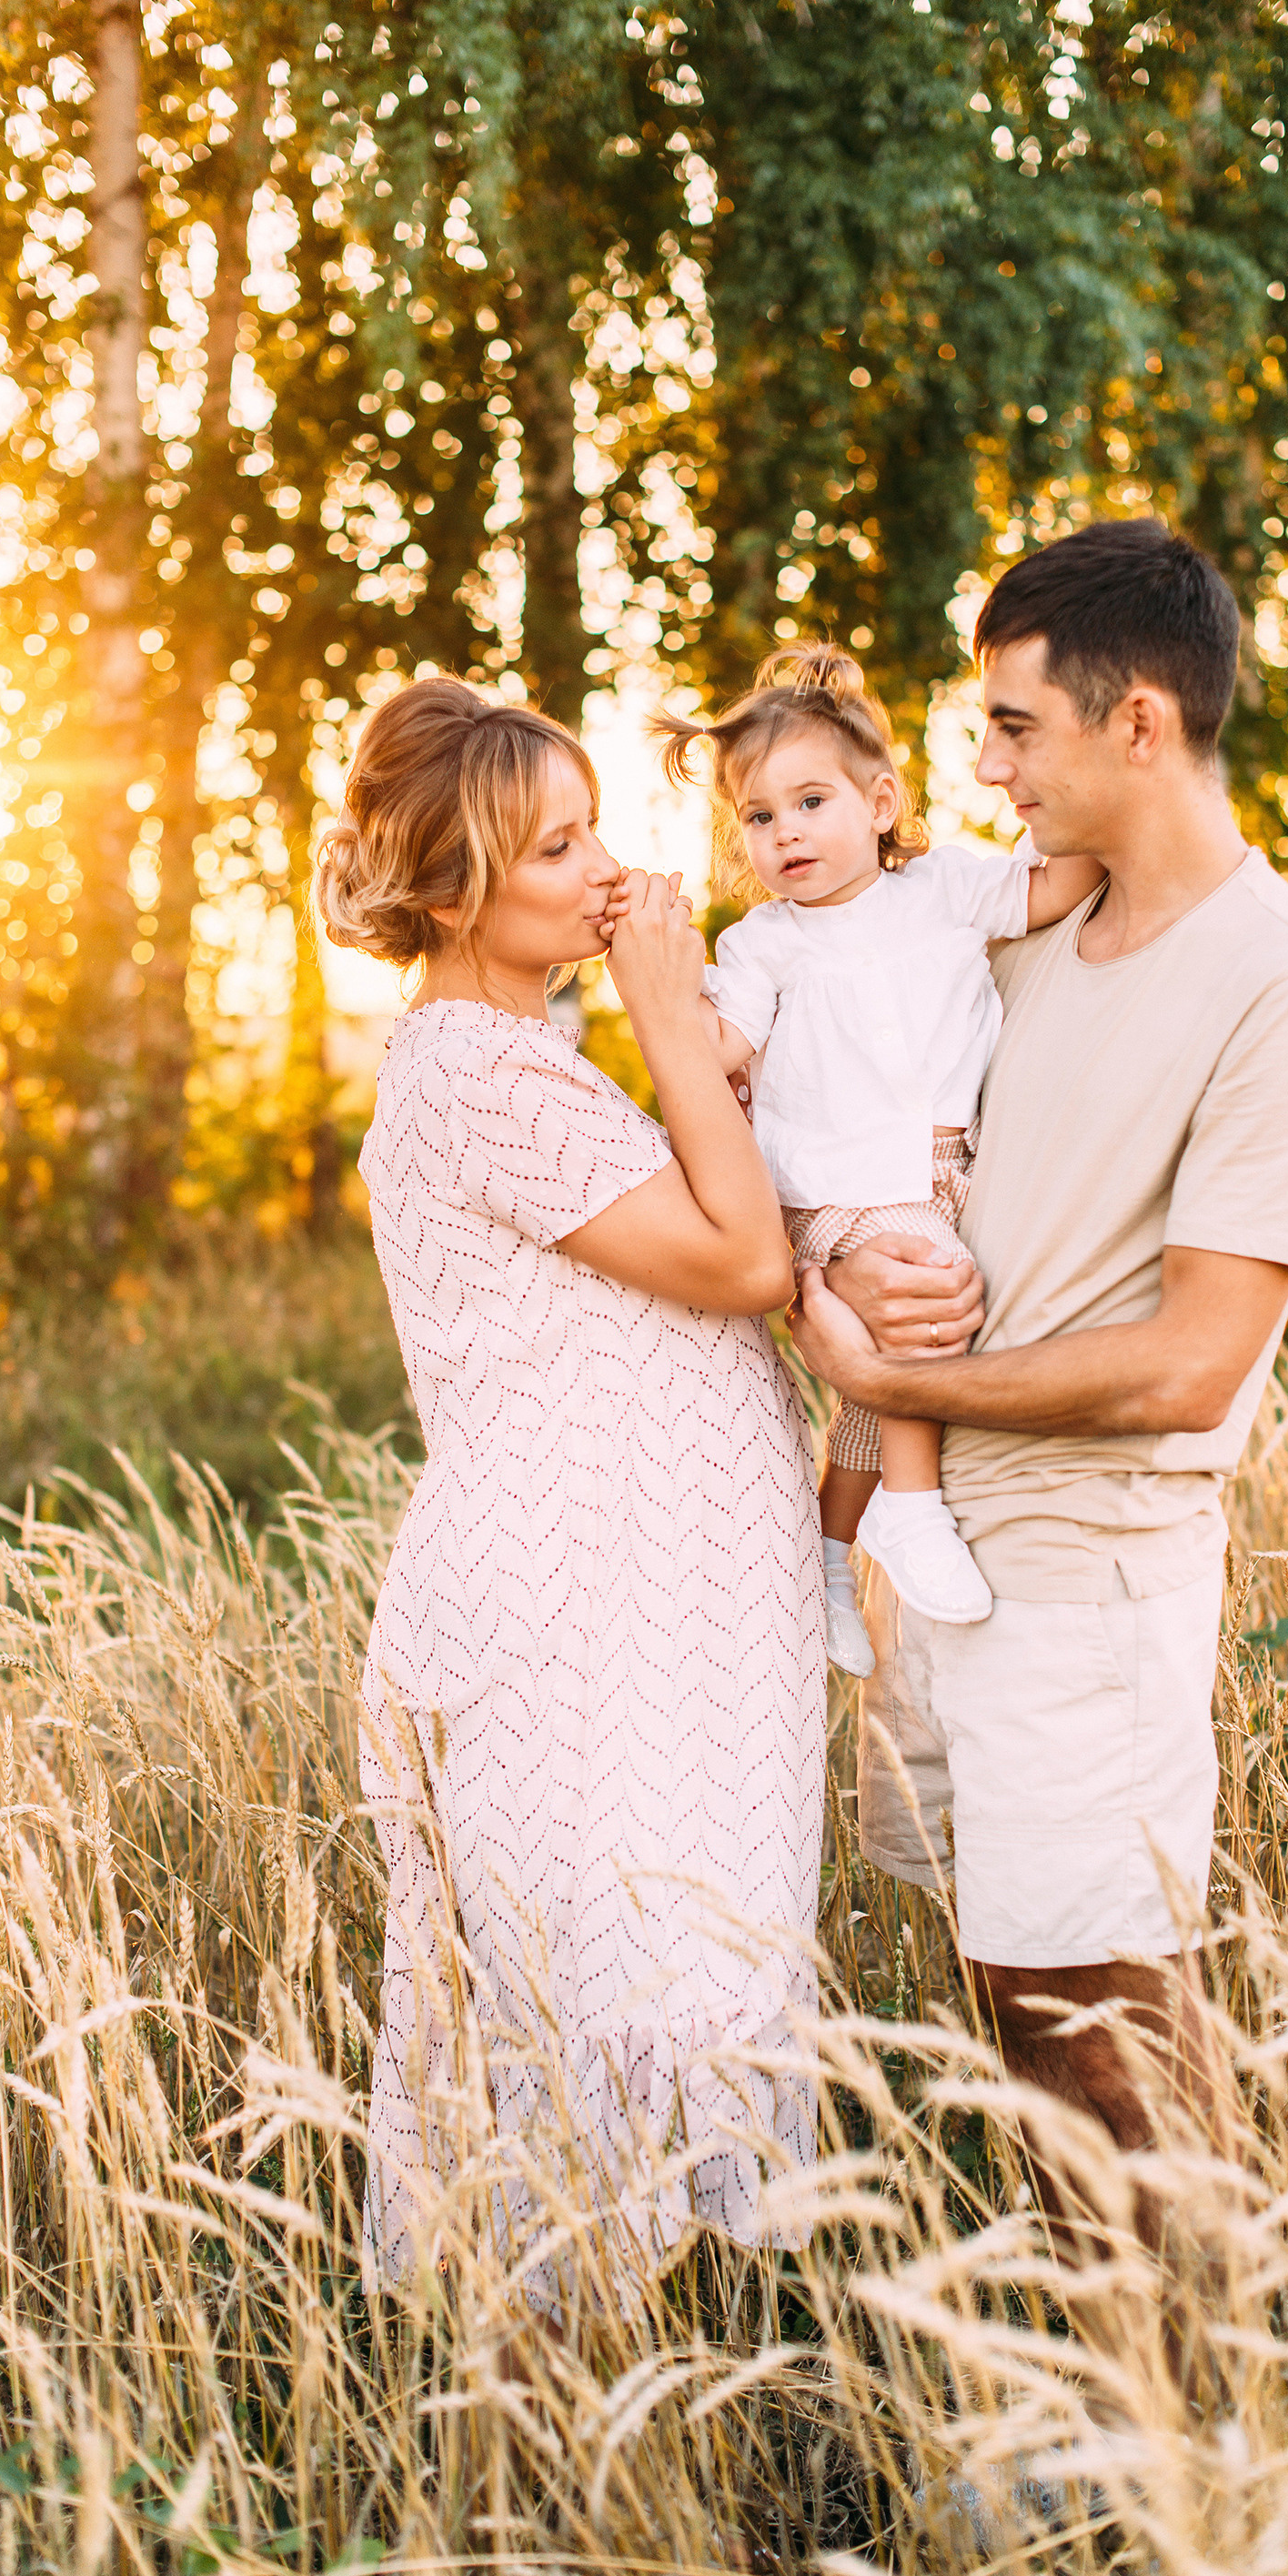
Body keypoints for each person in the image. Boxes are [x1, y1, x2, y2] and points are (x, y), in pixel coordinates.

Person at [791, 519, 1288, 2239]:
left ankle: (1182, 2429)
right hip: (949, 1545)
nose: (982, 765)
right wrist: (842, 1278)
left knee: (1105, 2018)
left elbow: (1196, 1364)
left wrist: (896, 1380)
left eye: (1015, 726)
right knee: (1011, 1989)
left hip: (1095, 1557)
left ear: (1139, 723)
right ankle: (1100, 2401)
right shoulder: (1008, 941)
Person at [315, 675, 826, 2312]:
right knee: (572, 2023)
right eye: (555, 844)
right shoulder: (477, 1069)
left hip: (653, 1615)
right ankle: (539, 2497)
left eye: (597, 823)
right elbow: (743, 1260)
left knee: (652, 2001)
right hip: (573, 1624)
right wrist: (670, 1001)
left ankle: (629, 2467)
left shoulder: (533, 1057)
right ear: (455, 890)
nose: (603, 868)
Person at [657, 645, 1102, 1673]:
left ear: (880, 801)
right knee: (921, 1287)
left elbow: (1052, 884)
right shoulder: (762, 946)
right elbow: (716, 1049)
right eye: (758, 818)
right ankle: (910, 1510)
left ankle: (824, 1549)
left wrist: (1107, 814)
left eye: (809, 802)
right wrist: (665, 981)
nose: (785, 834)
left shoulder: (944, 890)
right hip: (835, 1194)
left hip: (944, 1176)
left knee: (872, 1391)